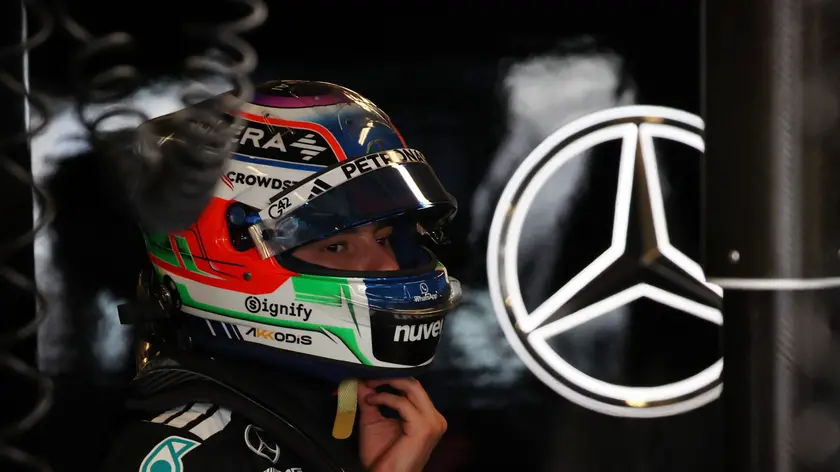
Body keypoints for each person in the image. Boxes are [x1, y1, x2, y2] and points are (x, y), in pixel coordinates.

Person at [101, 80, 461, 472]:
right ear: (224, 256)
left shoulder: (339, 418)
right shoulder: (189, 455)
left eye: (385, 238)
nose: (388, 266)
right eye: (336, 246)